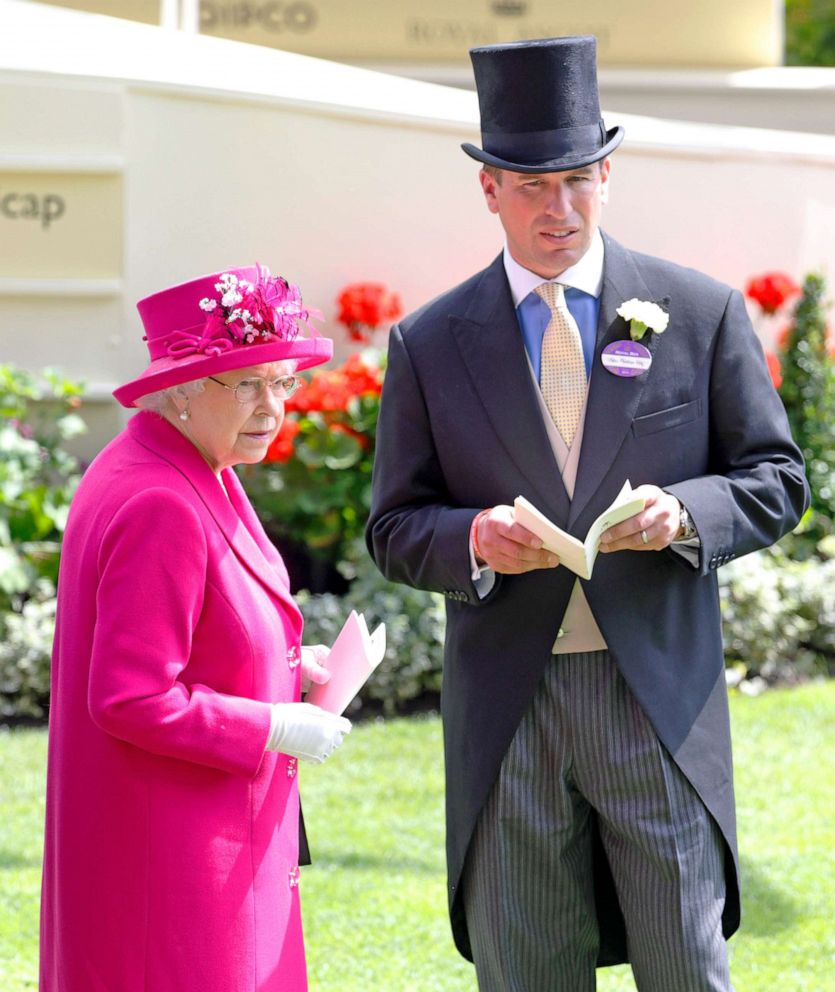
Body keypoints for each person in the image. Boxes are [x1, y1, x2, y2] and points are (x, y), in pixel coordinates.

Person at [366, 36, 808, 992]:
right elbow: (394, 525)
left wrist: (685, 514)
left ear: (608, 174)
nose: (555, 209)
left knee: (686, 967)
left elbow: (775, 477)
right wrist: (474, 539)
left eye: (574, 180)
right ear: (488, 189)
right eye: (529, 186)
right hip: (507, 708)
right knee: (525, 971)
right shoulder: (431, 342)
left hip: (653, 698)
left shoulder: (698, 313)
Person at [40, 264, 352, 992]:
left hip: (187, 843)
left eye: (280, 381)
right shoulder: (161, 499)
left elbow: (196, 625)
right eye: (243, 383)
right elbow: (130, 697)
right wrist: (272, 724)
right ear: (179, 388)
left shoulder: (189, 461)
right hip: (174, 859)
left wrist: (279, 663)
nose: (270, 406)